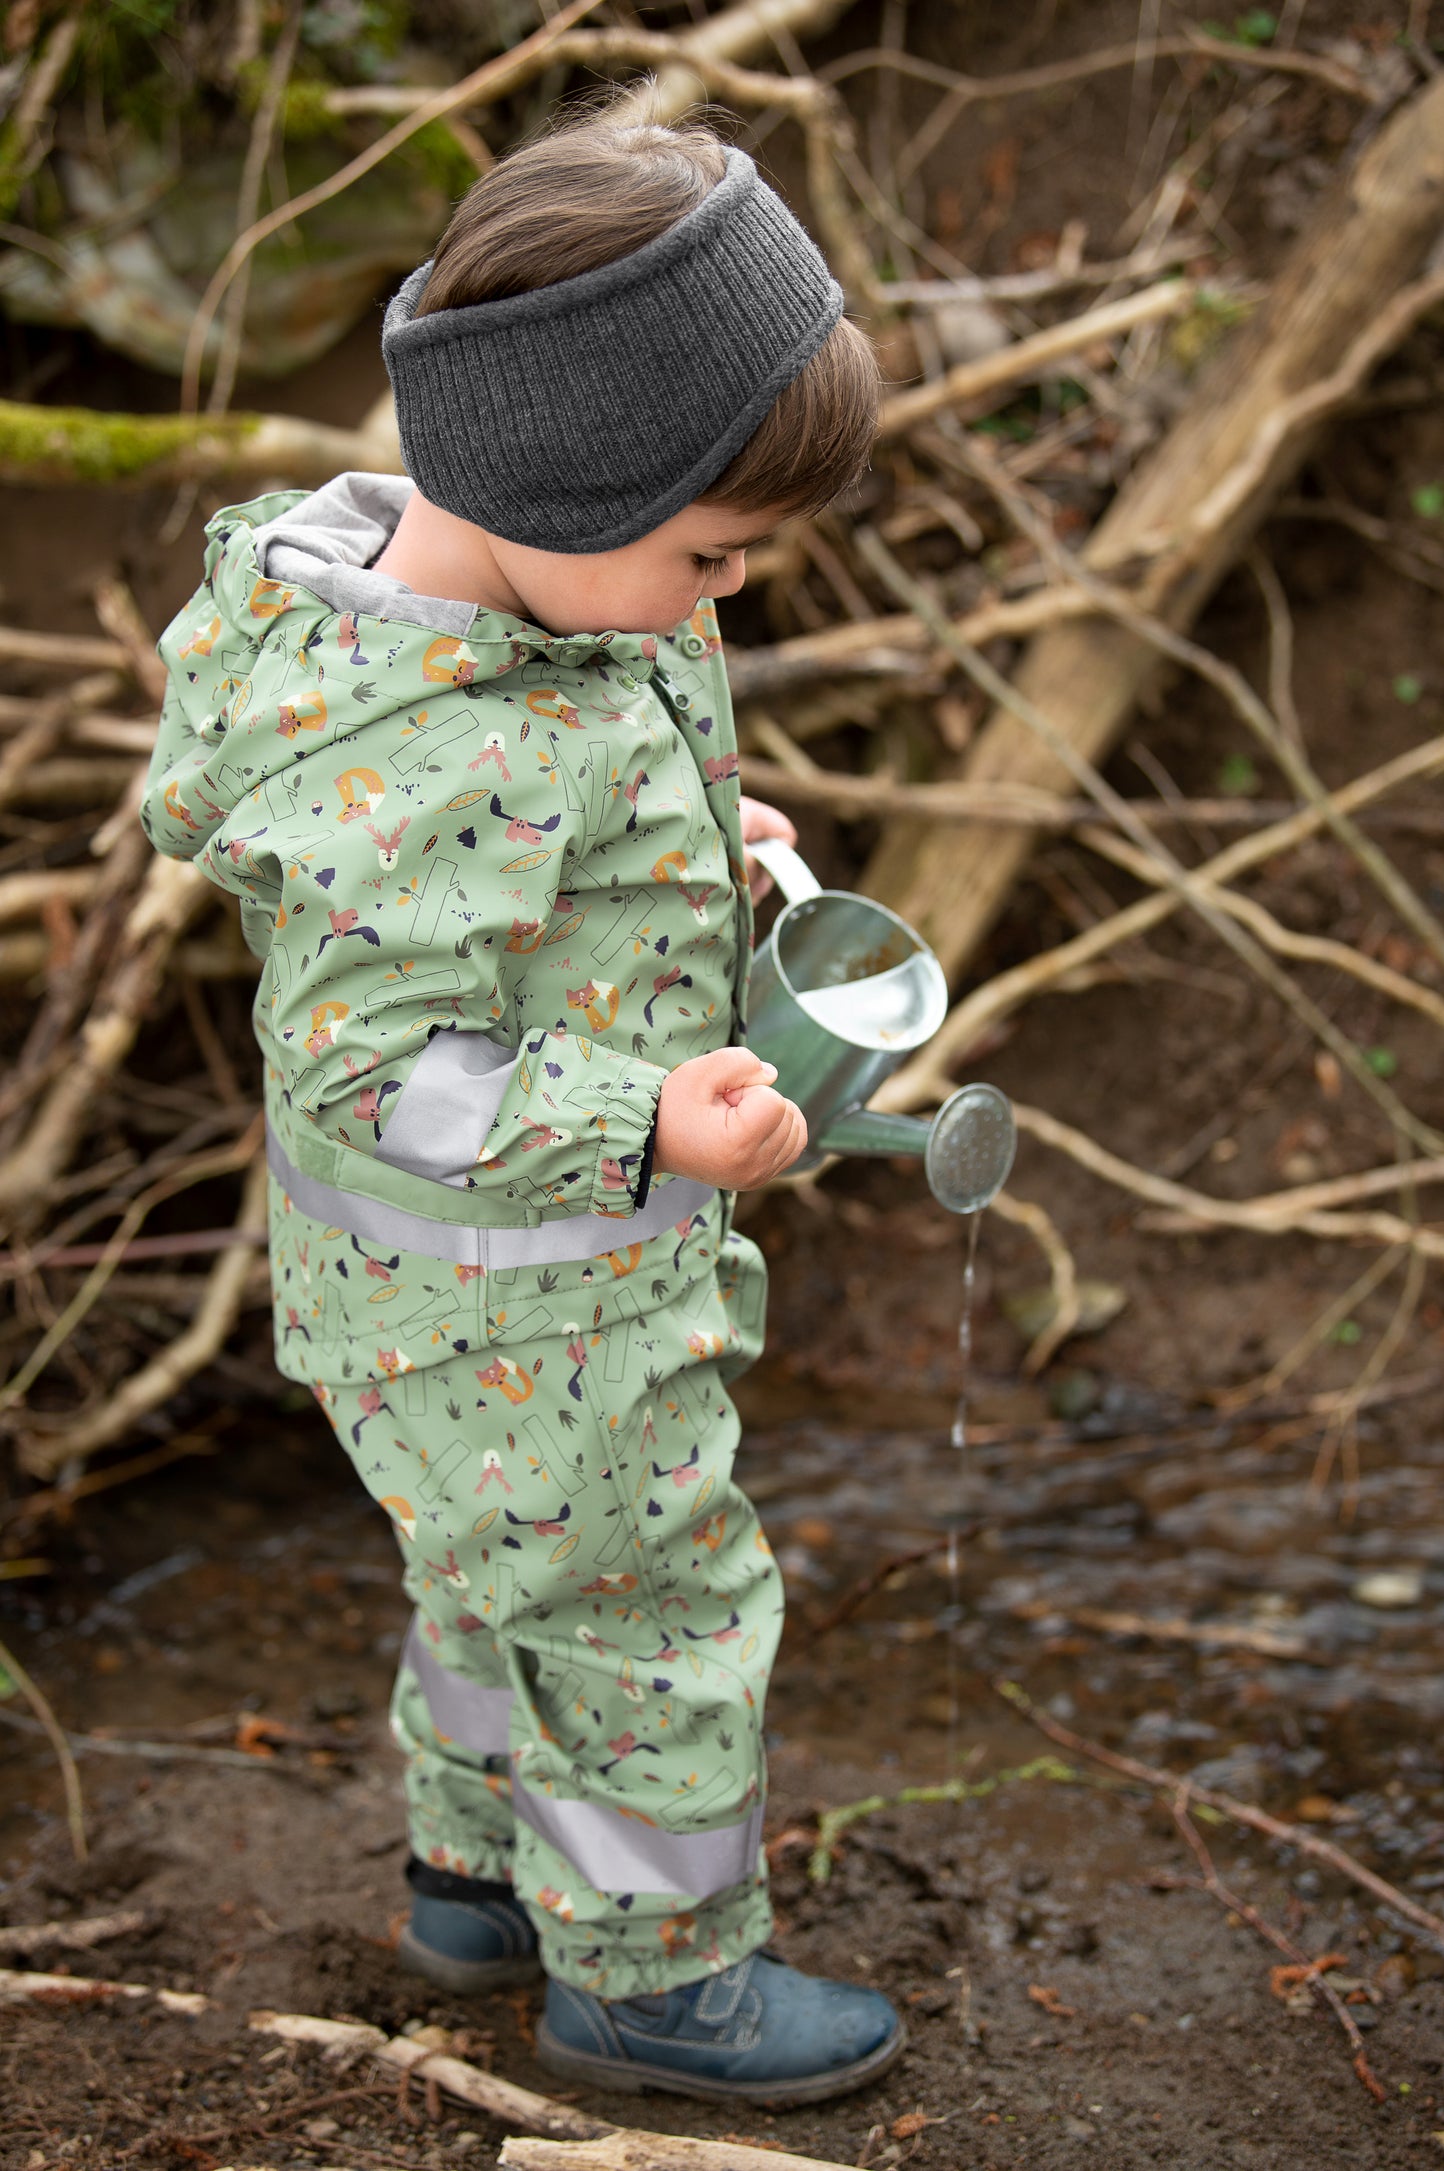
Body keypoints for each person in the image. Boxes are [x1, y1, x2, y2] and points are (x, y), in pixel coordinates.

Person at [141, 99, 900, 2107]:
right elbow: (383, 1059)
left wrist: (687, 826)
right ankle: (653, 1980)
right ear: (565, 482)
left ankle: (479, 1887)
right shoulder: (451, 751)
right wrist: (658, 1121)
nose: (721, 591)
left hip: (443, 1320)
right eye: (710, 554)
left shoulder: (466, 623)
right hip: (529, 1288)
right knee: (649, 1604)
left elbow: (535, 802)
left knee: (497, 1576)